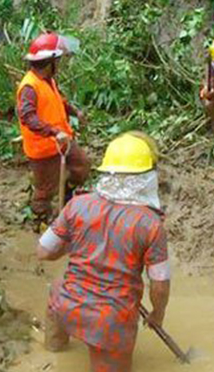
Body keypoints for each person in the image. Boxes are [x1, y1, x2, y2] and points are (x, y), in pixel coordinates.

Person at [37, 133, 170, 372]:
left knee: (57, 288)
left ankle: (53, 348)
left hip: (66, 304)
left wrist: (74, 244)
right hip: (109, 320)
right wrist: (157, 314)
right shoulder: (151, 224)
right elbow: (159, 285)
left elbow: (44, 251)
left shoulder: (78, 204)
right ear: (147, 178)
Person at [16, 33, 90, 228]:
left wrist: (75, 112)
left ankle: (66, 196)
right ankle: (39, 222)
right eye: (58, 61)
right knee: (45, 191)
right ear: (50, 62)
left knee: (81, 166)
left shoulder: (48, 80)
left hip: (62, 141)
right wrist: (54, 132)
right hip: (44, 148)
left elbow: (58, 101)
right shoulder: (29, 87)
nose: (60, 64)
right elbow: (27, 116)